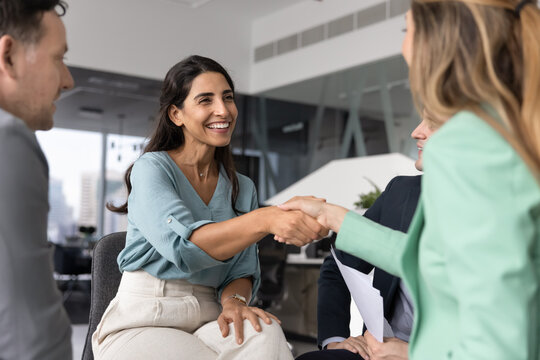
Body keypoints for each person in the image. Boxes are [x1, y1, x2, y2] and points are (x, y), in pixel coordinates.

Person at [281, 1, 540, 359]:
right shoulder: (505, 142)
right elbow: (429, 261)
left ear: (436, 44)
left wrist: (413, 353)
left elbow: (499, 345)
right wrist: (331, 216)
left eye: (407, 30)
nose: (403, 47)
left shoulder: (477, 154)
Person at [93, 55, 326, 360]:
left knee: (265, 334)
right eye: (206, 100)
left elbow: (241, 271)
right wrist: (266, 219)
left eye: (228, 98)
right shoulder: (152, 169)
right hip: (146, 316)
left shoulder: (242, 187)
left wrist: (235, 302)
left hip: (210, 316)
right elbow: (184, 247)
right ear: (177, 114)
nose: (223, 110)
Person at [297, 114, 437, 360]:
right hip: (380, 350)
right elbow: (338, 265)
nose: (416, 132)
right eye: (420, 119)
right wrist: (335, 340)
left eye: (433, 122)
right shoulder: (400, 192)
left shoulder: (502, 217)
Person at [0, 1, 74, 359]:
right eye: (58, 58)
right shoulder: (7, 141)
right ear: (8, 56)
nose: (68, 80)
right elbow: (33, 337)